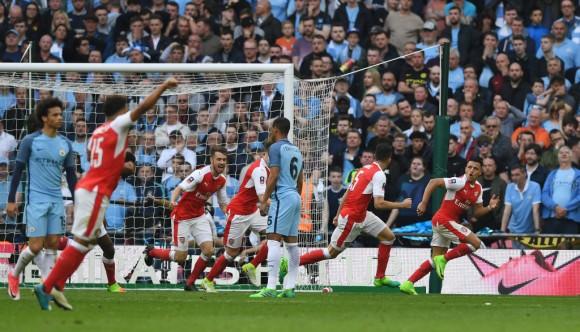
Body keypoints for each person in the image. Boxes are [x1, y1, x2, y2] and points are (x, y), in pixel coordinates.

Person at [33, 78, 178, 311]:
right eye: (126, 110)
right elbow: (143, 109)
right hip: (95, 192)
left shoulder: (97, 133)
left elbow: (94, 159)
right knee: (81, 242)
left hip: (87, 187)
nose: (129, 113)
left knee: (87, 242)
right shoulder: (118, 124)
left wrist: (118, 165)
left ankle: (55, 285)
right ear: (120, 111)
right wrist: (163, 87)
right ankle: (47, 285)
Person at [281, 144, 412, 288]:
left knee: (389, 237)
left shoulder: (364, 169)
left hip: (362, 215)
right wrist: (402, 205)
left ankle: (380, 277)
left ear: (375, 156)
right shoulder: (379, 174)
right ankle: (290, 264)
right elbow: (379, 204)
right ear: (389, 158)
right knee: (331, 252)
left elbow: (347, 194)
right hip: (352, 219)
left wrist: (337, 215)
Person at [7, 98, 77, 302]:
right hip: (36, 199)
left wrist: (78, 202)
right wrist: (12, 200)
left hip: (56, 200)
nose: (59, 118)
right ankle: (14, 274)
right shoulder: (29, 141)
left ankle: (47, 285)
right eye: (55, 115)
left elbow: (72, 177)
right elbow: (17, 172)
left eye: (60, 114)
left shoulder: (66, 143)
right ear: (44, 118)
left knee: (53, 244)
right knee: (36, 246)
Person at [400, 157, 500, 295]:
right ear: (465, 168)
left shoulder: (478, 188)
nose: (471, 170)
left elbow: (477, 211)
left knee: (435, 261)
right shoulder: (459, 182)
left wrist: (490, 207)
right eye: (469, 167)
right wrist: (423, 203)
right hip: (444, 220)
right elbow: (433, 182)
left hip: (444, 223)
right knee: (475, 243)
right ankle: (444, 259)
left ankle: (408, 283)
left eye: (475, 168)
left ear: (480, 173)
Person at [144, 145, 229, 291]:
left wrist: (230, 214)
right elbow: (179, 188)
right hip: (182, 217)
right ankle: (151, 252)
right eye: (219, 159)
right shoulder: (200, 174)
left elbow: (222, 203)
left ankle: (190, 283)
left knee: (208, 251)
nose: (222, 162)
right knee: (180, 257)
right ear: (211, 160)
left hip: (199, 216)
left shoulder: (221, 180)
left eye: (224, 160)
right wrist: (172, 201)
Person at [200, 150, 270, 291]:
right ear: (265, 154)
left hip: (252, 211)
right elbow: (263, 197)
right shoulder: (259, 169)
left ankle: (252, 265)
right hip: (238, 213)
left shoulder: (271, 169)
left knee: (274, 236)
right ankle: (207, 280)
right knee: (231, 253)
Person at [250, 117, 303, 298]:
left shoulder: (275, 148)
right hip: (295, 197)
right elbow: (301, 179)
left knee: (273, 240)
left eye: (271, 128)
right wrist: (296, 197)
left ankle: (271, 287)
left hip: (282, 196)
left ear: (276, 130)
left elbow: (273, 175)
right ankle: (290, 287)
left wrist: (264, 200)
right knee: (292, 243)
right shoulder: (296, 149)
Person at [541, 145, 580, 234]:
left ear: (572, 156)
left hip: (571, 218)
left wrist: (566, 209)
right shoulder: (551, 174)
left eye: (567, 152)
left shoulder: (578, 174)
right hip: (552, 217)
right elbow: (544, 194)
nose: (564, 154)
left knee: (570, 247)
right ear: (557, 157)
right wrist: (555, 207)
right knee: (550, 247)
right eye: (561, 152)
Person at [500, 164, 542, 234]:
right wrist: (502, 230)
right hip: (513, 230)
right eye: (512, 175)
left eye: (517, 175)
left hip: (530, 230)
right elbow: (507, 210)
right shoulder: (510, 187)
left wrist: (537, 229)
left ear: (525, 174)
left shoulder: (535, 186)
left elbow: (535, 210)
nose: (514, 178)